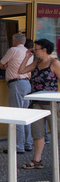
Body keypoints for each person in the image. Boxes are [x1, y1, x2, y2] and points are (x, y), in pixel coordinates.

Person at [18, 38, 60, 169]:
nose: (34, 51)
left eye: (36, 48)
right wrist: (26, 57)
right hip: (36, 102)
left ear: (44, 50)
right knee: (37, 133)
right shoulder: (37, 62)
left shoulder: (54, 63)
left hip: (51, 103)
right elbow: (21, 71)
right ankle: (37, 160)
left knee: (57, 132)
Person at [0, 33, 33, 154]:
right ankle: (28, 143)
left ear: (14, 41)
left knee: (17, 115)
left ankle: (19, 146)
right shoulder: (29, 52)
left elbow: (1, 64)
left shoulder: (13, 50)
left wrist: (6, 66)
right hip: (27, 84)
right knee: (25, 115)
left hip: (16, 84)